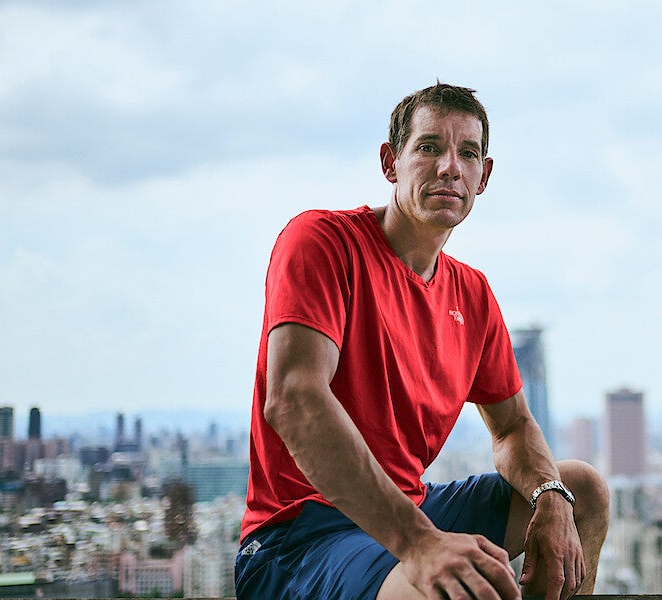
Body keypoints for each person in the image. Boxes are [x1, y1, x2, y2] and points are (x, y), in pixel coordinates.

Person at [235, 83, 609, 600]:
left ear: (484, 176)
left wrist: (549, 497)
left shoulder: (471, 292)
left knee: (581, 489)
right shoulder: (322, 241)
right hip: (301, 537)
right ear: (391, 163)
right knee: (458, 587)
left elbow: (514, 427)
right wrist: (420, 544)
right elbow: (295, 400)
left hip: (412, 511)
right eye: (429, 147)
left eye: (468, 153)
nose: (450, 167)